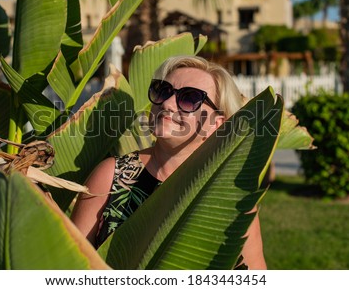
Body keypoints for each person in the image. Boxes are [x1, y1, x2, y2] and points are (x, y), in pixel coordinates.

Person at [71, 55, 267, 269]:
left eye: (189, 98)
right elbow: (70, 266)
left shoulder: (232, 200)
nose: (167, 103)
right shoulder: (112, 176)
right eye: (163, 91)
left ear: (216, 124)